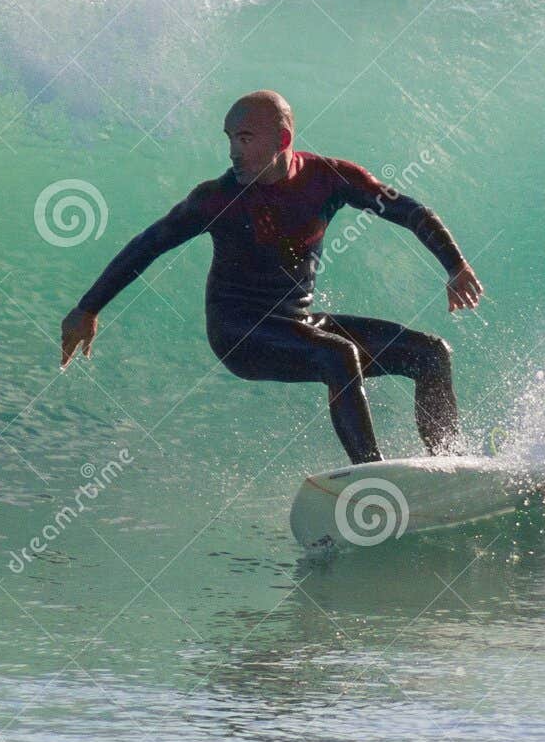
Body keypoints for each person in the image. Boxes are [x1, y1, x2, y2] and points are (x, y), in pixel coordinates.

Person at [59, 90, 484, 464]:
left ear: (281, 140)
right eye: (229, 139)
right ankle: (370, 477)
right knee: (338, 356)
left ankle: (451, 465)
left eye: (244, 139)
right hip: (239, 334)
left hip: (296, 324)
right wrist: (88, 307)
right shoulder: (219, 197)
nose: (232, 152)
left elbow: (405, 209)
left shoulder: (329, 178)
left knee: (430, 353)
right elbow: (149, 244)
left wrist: (455, 265)